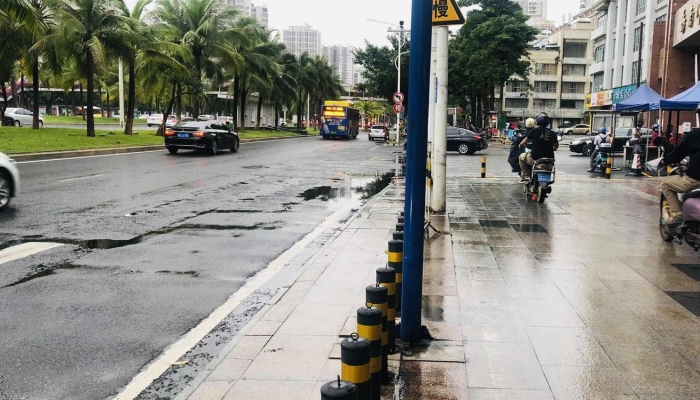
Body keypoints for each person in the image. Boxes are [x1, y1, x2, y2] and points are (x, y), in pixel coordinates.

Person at [660, 128, 700, 225]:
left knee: (665, 183)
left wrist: (665, 160)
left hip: (695, 179)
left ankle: (678, 215)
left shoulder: (695, 134)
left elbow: (679, 152)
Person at [518, 112, 559, 183]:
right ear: (547, 123)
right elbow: (556, 145)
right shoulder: (552, 133)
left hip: (535, 159)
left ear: (537, 122)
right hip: (549, 160)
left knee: (521, 157)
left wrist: (520, 144)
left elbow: (525, 140)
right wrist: (554, 148)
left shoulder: (533, 131)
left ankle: (526, 176)